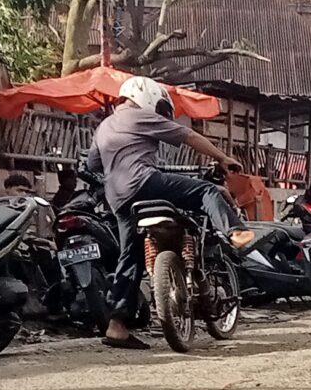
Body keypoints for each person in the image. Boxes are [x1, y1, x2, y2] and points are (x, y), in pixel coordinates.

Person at [90, 75, 244, 348]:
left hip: (118, 198)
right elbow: (189, 136)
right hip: (144, 183)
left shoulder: (104, 126)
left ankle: (116, 326)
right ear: (147, 97)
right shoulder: (140, 116)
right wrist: (222, 158)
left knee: (130, 257)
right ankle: (234, 231)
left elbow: (93, 164)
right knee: (207, 191)